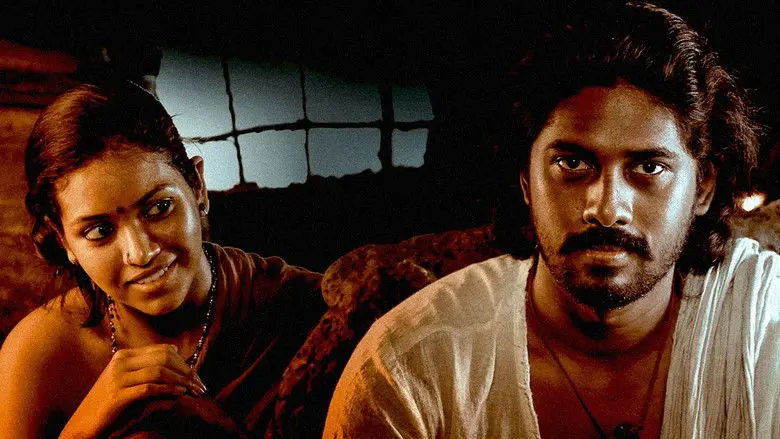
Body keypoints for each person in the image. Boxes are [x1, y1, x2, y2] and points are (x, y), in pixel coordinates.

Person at [324, 2, 779, 438]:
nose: (606, 210)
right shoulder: (410, 371)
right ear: (526, 180)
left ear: (702, 188)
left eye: (648, 168)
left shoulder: (765, 336)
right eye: (572, 164)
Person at [0, 82, 324, 437]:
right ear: (64, 241)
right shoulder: (39, 355)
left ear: (197, 186)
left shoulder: (309, 310)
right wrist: (84, 426)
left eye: (158, 209)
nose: (141, 252)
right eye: (99, 231)